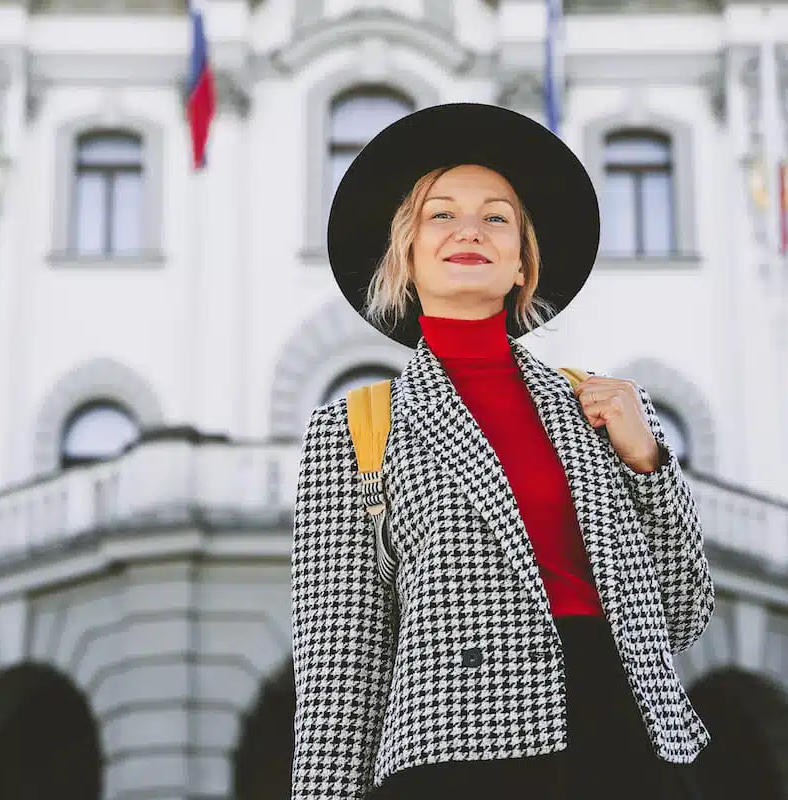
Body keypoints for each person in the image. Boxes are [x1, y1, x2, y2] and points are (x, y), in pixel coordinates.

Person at [290, 103, 713, 800]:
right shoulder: (356, 427)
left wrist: (648, 469)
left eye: (496, 218)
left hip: (624, 739)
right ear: (407, 255)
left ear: (521, 262)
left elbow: (682, 612)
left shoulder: (601, 410)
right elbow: (341, 666)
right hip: (456, 749)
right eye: (440, 215)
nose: (469, 231)